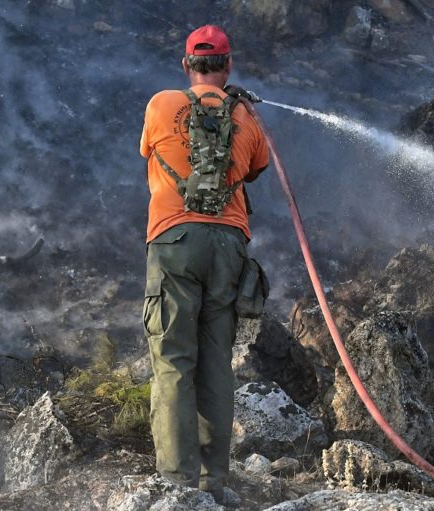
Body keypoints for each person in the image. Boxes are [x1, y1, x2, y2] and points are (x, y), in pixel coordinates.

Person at [139, 25, 269, 506]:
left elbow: (148, 152)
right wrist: (236, 108)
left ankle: (176, 483)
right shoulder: (249, 119)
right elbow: (256, 168)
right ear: (229, 65)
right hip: (228, 246)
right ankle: (213, 481)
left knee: (174, 359)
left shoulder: (160, 105)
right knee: (216, 362)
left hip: (174, 239)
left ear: (184, 64)